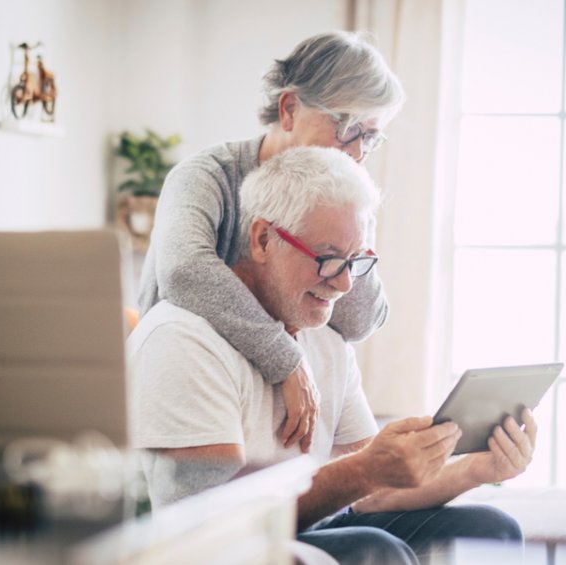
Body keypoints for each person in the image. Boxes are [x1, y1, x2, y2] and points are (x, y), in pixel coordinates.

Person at [129, 147, 536, 564]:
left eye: (355, 262)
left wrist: (476, 470)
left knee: (492, 530)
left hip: (305, 527)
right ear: (263, 239)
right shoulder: (183, 339)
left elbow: (372, 495)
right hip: (213, 550)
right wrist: (364, 469)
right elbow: (214, 522)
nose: (343, 285)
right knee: (375, 551)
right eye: (327, 259)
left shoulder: (323, 337)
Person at [137, 31, 405, 453]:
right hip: (189, 394)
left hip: (272, 419)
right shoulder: (206, 177)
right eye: (347, 127)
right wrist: (286, 358)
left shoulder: (344, 191)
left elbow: (359, 320)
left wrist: (347, 230)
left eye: (370, 136)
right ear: (289, 109)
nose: (357, 152)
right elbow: (183, 270)